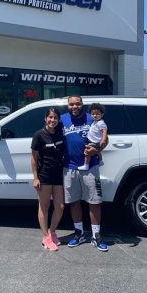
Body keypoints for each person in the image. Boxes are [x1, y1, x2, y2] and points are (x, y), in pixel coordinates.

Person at [61, 95, 108, 252]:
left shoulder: (93, 117)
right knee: (74, 201)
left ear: (82, 104)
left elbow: (105, 138)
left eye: (77, 104)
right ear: (68, 105)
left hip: (90, 167)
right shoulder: (62, 119)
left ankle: (96, 236)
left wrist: (98, 149)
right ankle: (79, 233)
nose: (75, 107)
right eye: (71, 104)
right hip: (69, 167)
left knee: (94, 201)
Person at [31, 107, 65, 251]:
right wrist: (35, 178)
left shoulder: (60, 133)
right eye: (50, 117)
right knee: (44, 207)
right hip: (44, 175)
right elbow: (34, 158)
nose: (52, 120)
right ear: (45, 118)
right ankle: (45, 237)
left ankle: (52, 231)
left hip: (58, 175)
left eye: (55, 118)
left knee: (60, 207)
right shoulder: (39, 135)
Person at [78, 103, 108, 171]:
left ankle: (86, 165)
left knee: (87, 152)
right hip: (94, 140)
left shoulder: (101, 123)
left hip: (95, 141)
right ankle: (100, 161)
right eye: (93, 114)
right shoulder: (95, 122)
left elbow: (104, 131)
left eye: (97, 114)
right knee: (97, 151)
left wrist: (103, 140)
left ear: (102, 114)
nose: (95, 115)